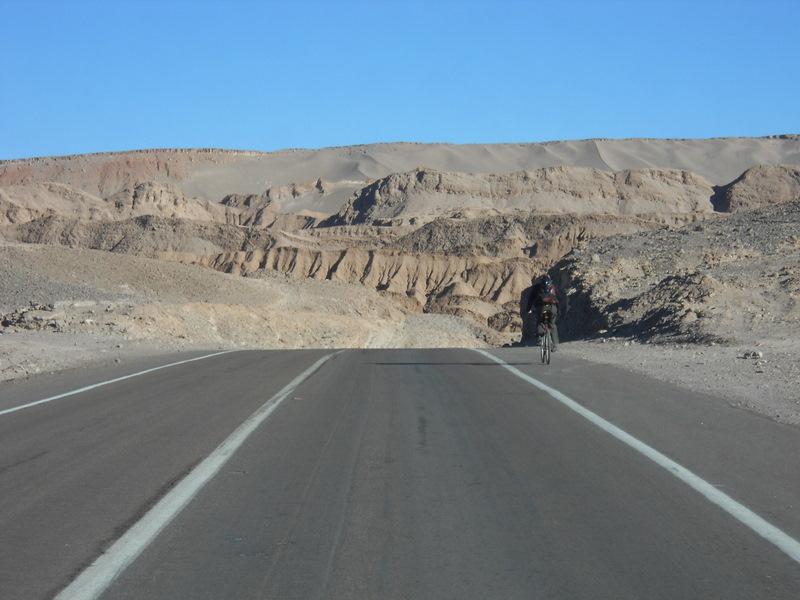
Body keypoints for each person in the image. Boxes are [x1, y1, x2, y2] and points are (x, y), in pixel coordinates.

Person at [524, 274, 560, 350]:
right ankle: (555, 344)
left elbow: (531, 299)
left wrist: (528, 309)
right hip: (553, 308)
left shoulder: (537, 287)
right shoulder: (553, 287)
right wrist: (558, 311)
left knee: (540, 321)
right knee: (553, 325)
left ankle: (540, 338)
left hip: (542, 308)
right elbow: (558, 299)